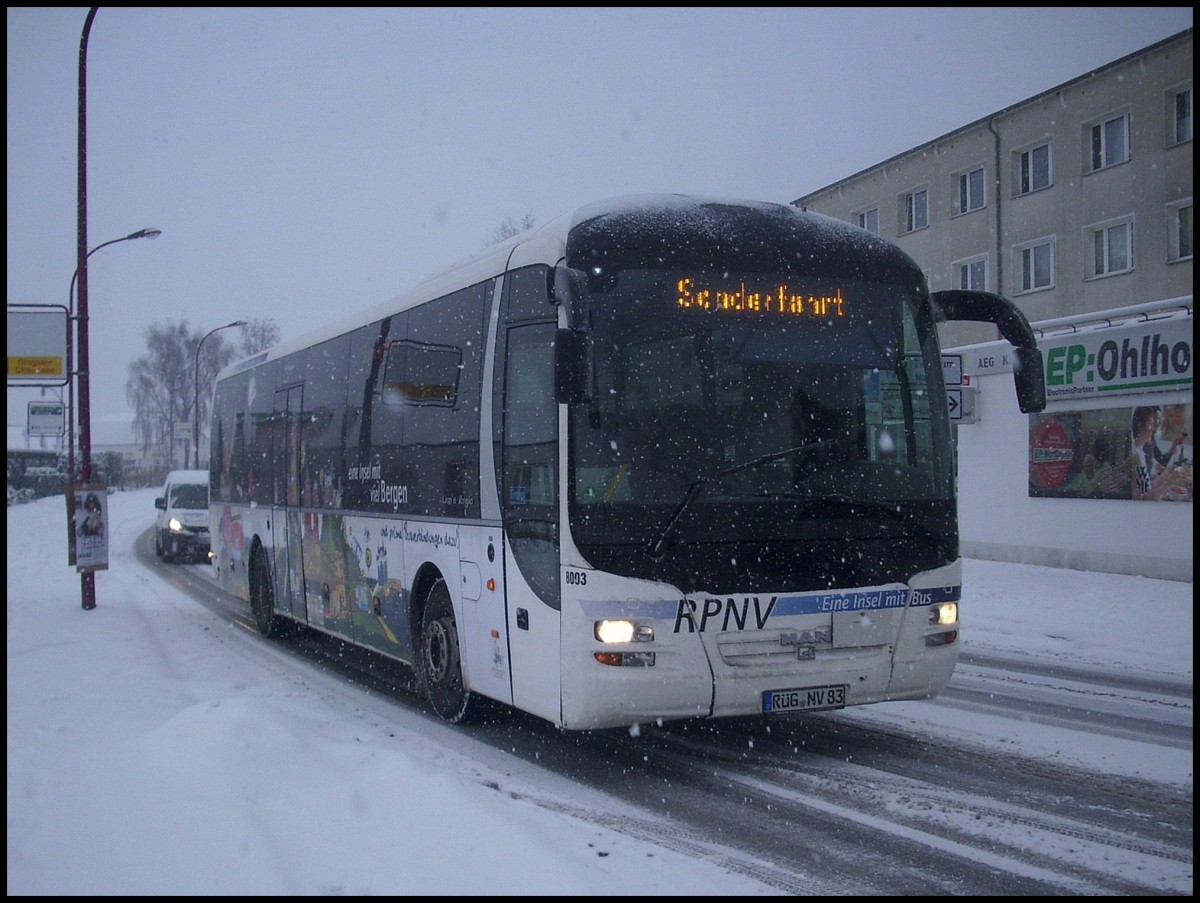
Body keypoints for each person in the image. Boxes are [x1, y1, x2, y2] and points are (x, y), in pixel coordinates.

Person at [1129, 406, 1183, 501]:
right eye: (1151, 424)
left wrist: (1167, 474)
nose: (1153, 429)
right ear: (1140, 425)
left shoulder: (1139, 451)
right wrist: (1169, 481)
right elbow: (1145, 497)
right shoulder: (1137, 456)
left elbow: (1146, 487)